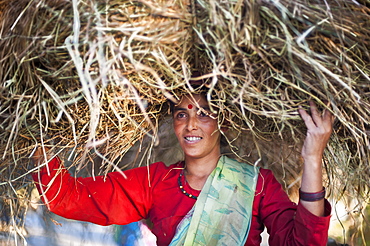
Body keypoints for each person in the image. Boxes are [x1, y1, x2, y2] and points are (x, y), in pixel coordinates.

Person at [31, 88, 334, 245]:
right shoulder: (155, 181)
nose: (190, 124)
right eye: (181, 115)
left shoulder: (256, 184)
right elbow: (68, 198)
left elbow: (302, 243)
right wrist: (36, 134)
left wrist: (312, 158)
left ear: (222, 123)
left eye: (204, 114)